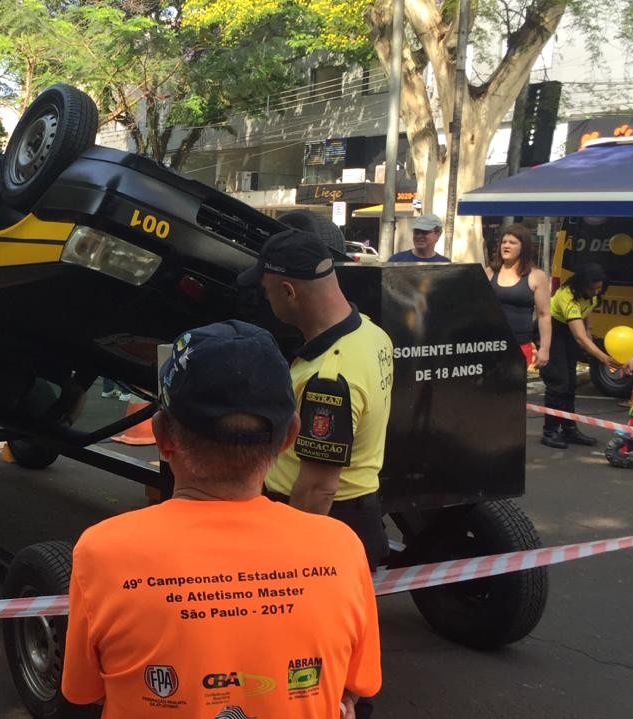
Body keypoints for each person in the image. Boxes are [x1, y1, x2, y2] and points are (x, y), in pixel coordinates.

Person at [62, 321, 381, 719]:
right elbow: (358, 684)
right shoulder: (341, 548)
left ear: (162, 436)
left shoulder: (102, 552)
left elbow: (84, 691)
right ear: (289, 437)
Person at [238, 229, 394, 570]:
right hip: (356, 515)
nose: (266, 300)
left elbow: (318, 488)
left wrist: (291, 563)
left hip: (322, 524)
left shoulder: (328, 378)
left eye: (267, 291)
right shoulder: (372, 333)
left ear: (288, 291)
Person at [540, 263, 617, 448]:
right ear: (582, 284)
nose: (596, 292)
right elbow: (580, 338)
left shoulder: (592, 293)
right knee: (558, 382)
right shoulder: (567, 296)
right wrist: (604, 358)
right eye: (593, 289)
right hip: (554, 330)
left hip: (570, 331)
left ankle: (569, 428)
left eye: (599, 288)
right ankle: (550, 431)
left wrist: (588, 328)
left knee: (570, 383)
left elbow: (587, 310)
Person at [485, 224, 551, 368]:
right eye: (504, 242)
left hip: (520, 345)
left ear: (523, 247)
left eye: (512, 242)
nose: (506, 246)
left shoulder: (536, 276)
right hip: (490, 345)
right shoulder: (489, 272)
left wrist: (544, 348)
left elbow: (544, 315)